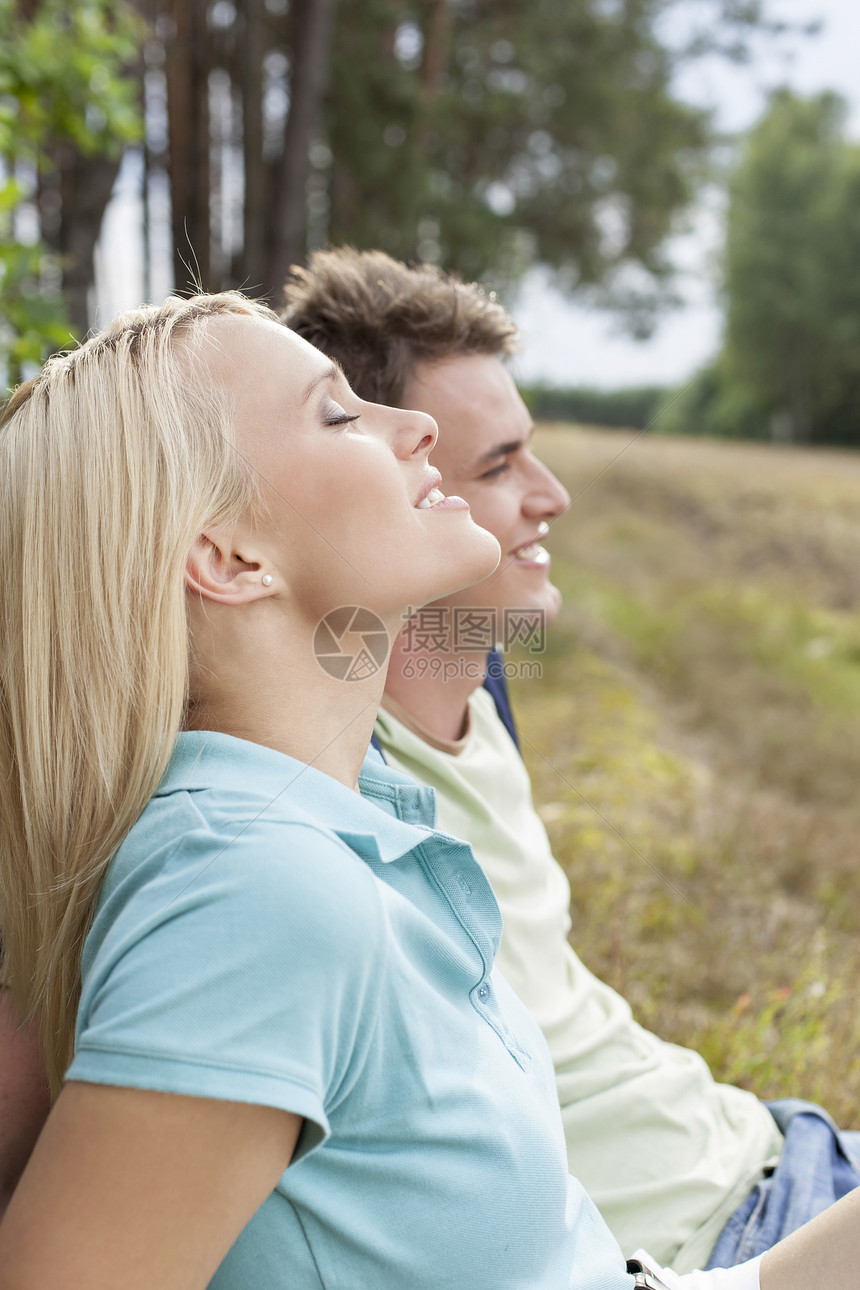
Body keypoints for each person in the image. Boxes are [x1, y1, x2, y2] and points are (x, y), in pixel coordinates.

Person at [2, 289, 859, 1289]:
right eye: (337, 413)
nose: (416, 432)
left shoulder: (345, 828)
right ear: (226, 558)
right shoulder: (250, 891)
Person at [281, 247, 860, 1273]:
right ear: (385, 491)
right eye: (496, 468)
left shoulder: (481, 696)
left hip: (776, 1148)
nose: (549, 496)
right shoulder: (321, 784)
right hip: (723, 1247)